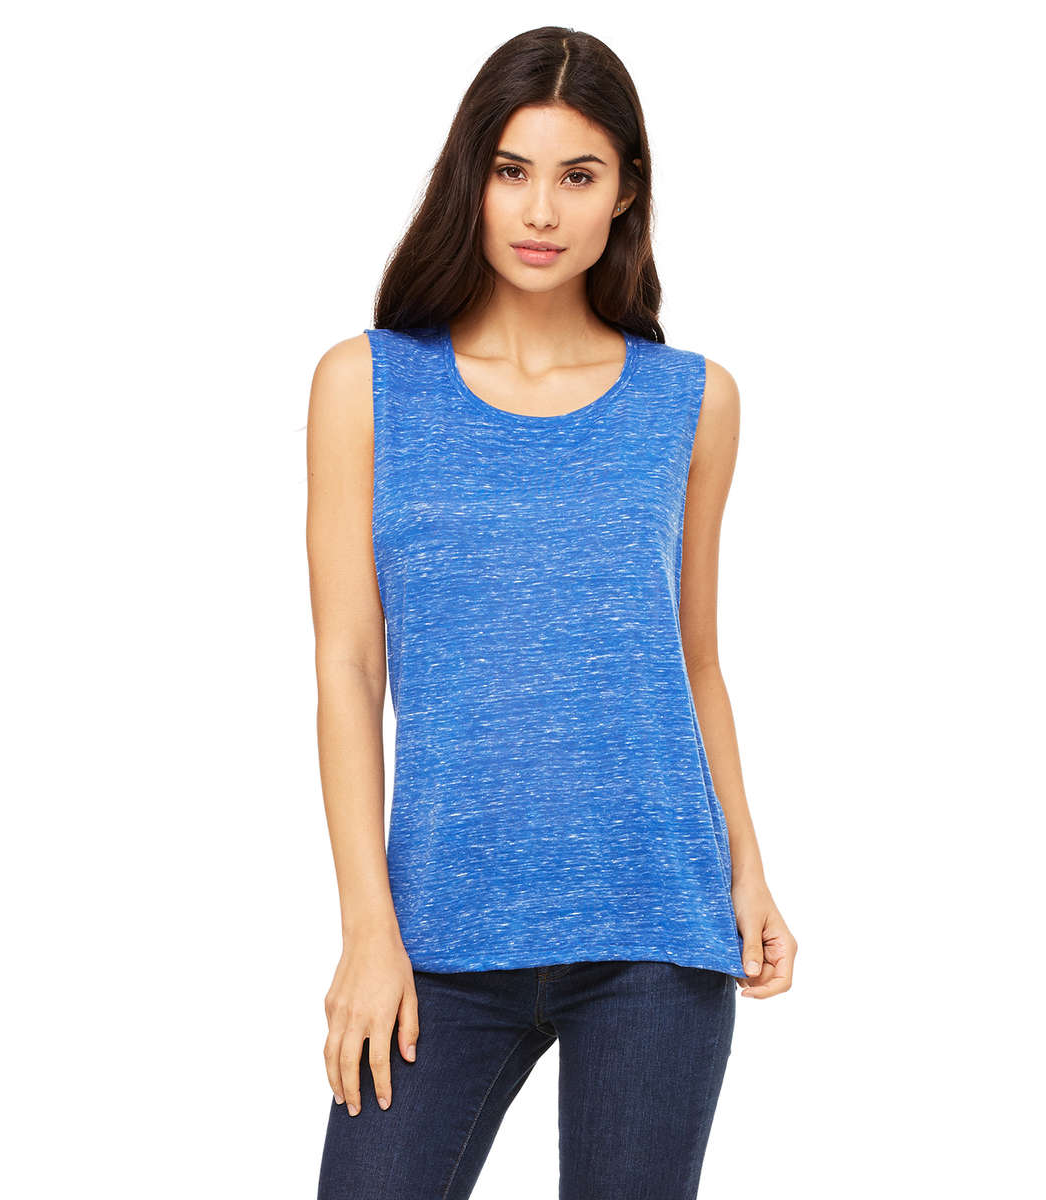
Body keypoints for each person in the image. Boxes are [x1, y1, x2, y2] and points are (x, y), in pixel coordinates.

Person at [306, 25, 796, 1199]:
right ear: (469, 178)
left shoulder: (692, 402)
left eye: (578, 175)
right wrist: (368, 927)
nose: (541, 210)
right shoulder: (367, 385)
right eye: (512, 170)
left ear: (625, 192)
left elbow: (694, 661)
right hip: (439, 932)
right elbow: (348, 668)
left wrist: (748, 866)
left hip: (655, 924)